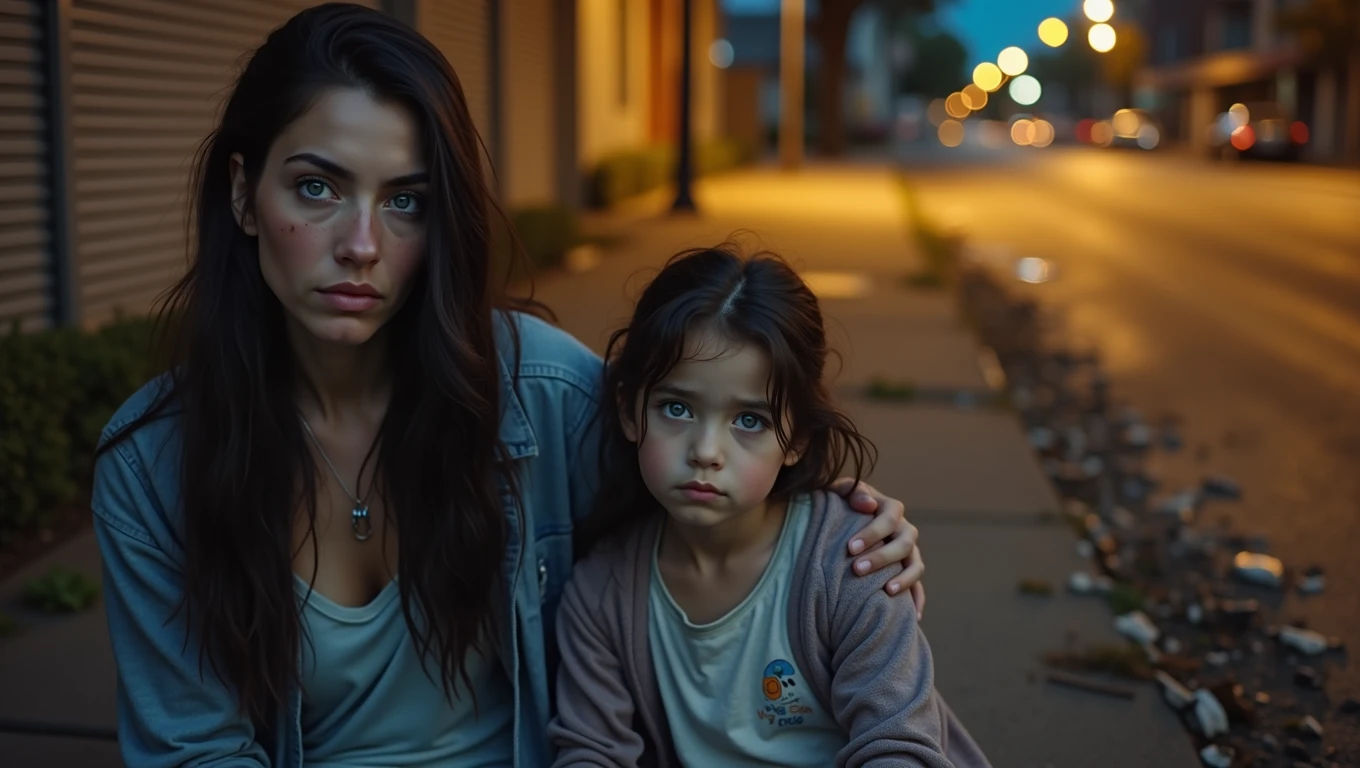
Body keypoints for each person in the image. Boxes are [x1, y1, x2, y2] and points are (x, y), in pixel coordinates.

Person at [90, 4, 926, 767]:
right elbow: (196, 749)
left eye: (406, 202)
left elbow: (711, 459)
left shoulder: (548, 396)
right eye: (317, 187)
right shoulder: (152, 467)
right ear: (242, 194)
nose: (360, 243)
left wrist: (839, 530)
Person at [548, 246, 991, 768]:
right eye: (676, 408)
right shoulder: (601, 594)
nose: (707, 451)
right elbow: (589, 753)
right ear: (628, 411)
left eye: (749, 420)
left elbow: (899, 747)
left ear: (797, 438)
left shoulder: (852, 565)